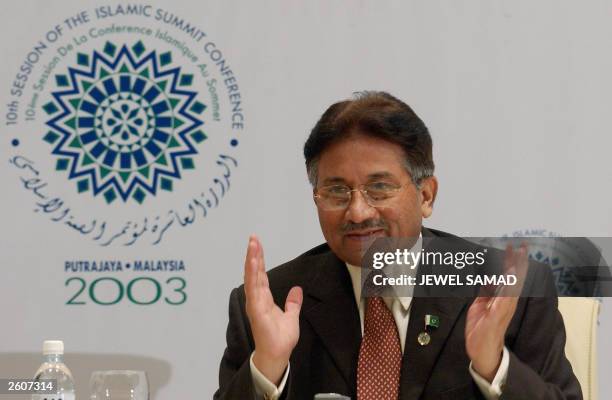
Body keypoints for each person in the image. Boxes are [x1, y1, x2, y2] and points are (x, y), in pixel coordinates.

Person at [213, 91, 582, 400]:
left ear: (425, 195)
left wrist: (495, 368)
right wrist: (267, 370)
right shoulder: (273, 302)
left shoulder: (506, 290)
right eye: (336, 191)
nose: (357, 212)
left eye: (380, 188)